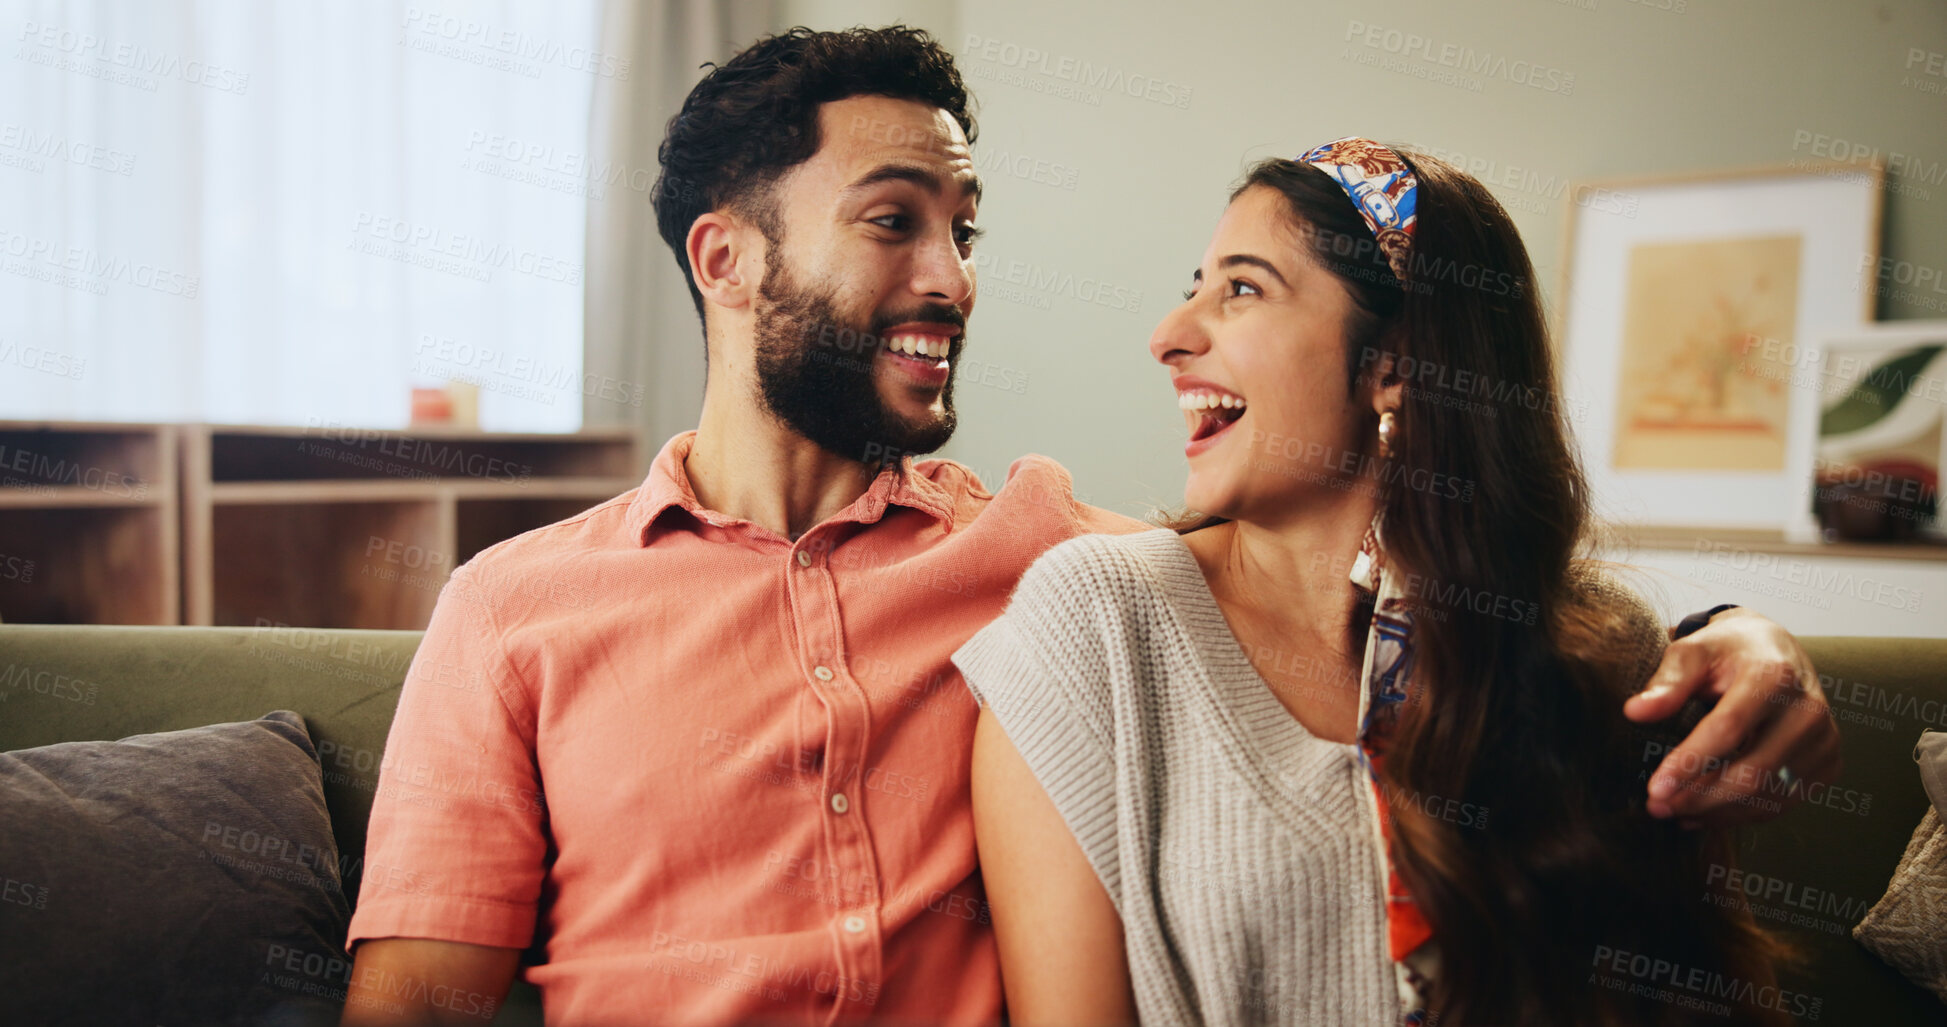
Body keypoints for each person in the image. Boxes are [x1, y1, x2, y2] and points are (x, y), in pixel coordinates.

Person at [341, 28, 1838, 1026]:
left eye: (965, 228)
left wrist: (1717, 632)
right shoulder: (509, 610)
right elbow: (414, 1003)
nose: (955, 276)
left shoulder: (1055, 559)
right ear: (727, 259)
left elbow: (1353, 573)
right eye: (893, 221)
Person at [956, 139, 1819, 1026]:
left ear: (1395, 360)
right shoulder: (1092, 619)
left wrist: (1747, 636)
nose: (1169, 335)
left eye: (1242, 288)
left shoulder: (1591, 646)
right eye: (1195, 285)